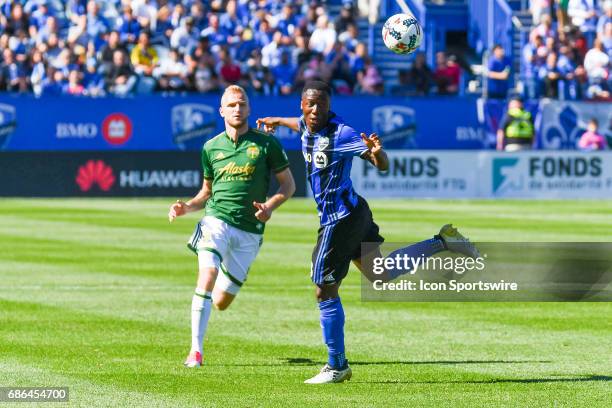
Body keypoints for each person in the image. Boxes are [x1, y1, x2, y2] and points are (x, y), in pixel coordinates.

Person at [256, 81, 479, 384]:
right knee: (380, 275)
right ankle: (441, 241)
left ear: (329, 104)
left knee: (323, 287)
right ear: (302, 105)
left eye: (321, 104)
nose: (315, 109)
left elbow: (381, 164)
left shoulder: (342, 133)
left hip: (340, 219)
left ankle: (337, 365)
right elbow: (299, 124)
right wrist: (276, 120)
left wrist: (377, 152)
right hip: (355, 211)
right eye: (310, 104)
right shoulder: (307, 126)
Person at [168, 85, 296, 368]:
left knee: (221, 302)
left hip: (250, 232)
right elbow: (206, 192)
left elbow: (289, 185)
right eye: (232, 105)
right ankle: (195, 351)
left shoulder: (266, 144)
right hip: (216, 221)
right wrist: (187, 207)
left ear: (249, 109)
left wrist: (270, 206)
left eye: (242, 104)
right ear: (222, 111)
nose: (237, 109)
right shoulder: (210, 147)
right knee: (207, 275)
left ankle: (219, 280)